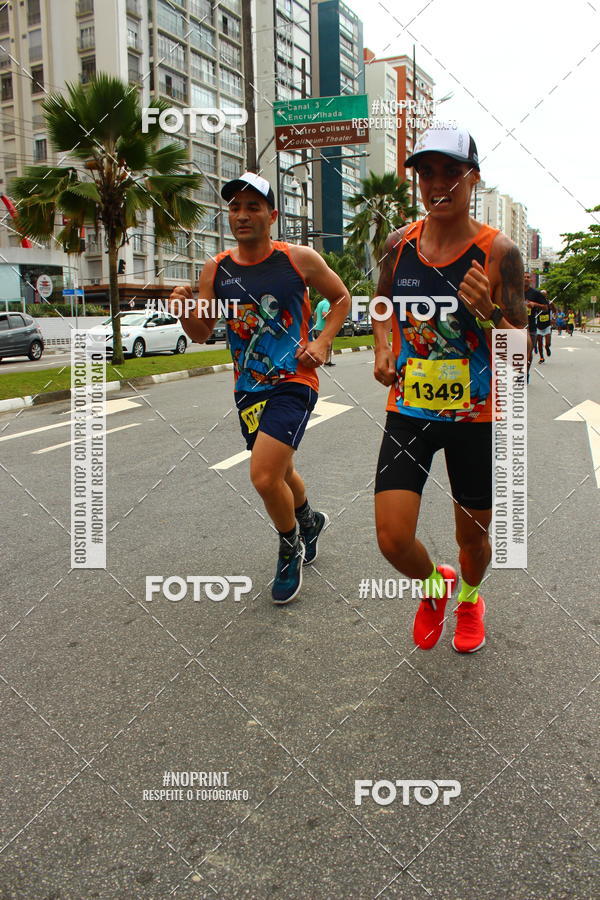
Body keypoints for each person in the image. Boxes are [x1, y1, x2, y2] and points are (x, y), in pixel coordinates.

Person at [372, 125, 529, 654]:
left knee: (473, 541)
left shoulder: (499, 252)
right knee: (392, 539)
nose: (437, 183)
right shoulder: (399, 244)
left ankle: (469, 596)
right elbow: (380, 305)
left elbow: (520, 353)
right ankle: (434, 588)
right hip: (410, 409)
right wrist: (384, 346)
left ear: (473, 178)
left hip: (476, 418)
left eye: (450, 171)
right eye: (426, 172)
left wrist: (487, 313)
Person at [169, 172, 350, 604]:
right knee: (281, 472)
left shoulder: (298, 259)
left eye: (253, 207)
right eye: (235, 207)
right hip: (248, 388)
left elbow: (341, 298)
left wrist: (322, 341)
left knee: (264, 474)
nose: (242, 215)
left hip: (294, 380)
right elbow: (200, 331)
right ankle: (309, 521)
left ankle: (290, 547)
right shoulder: (217, 267)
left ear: (272, 215)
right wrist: (182, 310)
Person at [524, 272, 547, 376]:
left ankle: (526, 373)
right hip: (516, 325)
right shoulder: (515, 291)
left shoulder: (535, 293)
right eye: (524, 277)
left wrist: (534, 304)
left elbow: (546, 307)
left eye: (528, 277)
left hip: (531, 325)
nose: (526, 279)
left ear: (531, 280)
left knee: (529, 352)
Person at [534, 289, 556, 362]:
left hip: (547, 326)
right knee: (539, 343)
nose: (543, 295)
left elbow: (554, 311)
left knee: (548, 343)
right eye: (541, 294)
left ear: (546, 295)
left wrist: (553, 318)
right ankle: (541, 357)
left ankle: (547, 348)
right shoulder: (536, 303)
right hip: (539, 326)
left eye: (544, 294)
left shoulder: (549, 303)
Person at [313, 296, 335, 365]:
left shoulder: (320, 303)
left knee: (321, 345)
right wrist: (331, 321)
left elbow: (315, 313)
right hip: (324, 328)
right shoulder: (327, 304)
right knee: (328, 345)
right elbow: (324, 314)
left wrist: (316, 322)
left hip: (318, 327)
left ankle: (319, 360)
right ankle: (326, 361)